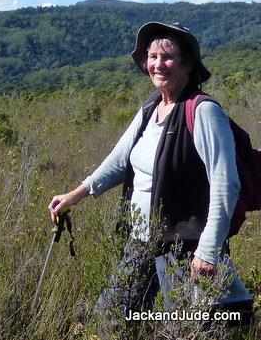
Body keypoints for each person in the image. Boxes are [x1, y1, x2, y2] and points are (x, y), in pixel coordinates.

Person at [47, 21, 253, 315]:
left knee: (185, 326)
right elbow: (119, 162)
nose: (158, 64)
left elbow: (225, 184)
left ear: (188, 63)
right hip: (141, 239)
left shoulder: (203, 111)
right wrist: (73, 196)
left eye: (168, 56)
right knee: (112, 318)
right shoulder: (150, 107)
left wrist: (208, 251)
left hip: (185, 247)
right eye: (152, 56)